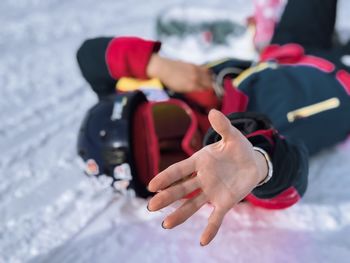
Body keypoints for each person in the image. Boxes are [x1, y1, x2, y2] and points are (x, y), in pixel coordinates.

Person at [76, 0, 350, 246]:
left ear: (157, 100)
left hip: (287, 50)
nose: (189, 141)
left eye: (168, 122)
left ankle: (267, 34)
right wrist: (261, 165)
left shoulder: (178, 89)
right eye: (169, 159)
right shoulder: (233, 164)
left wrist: (156, 65)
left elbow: (89, 57)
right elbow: (290, 172)